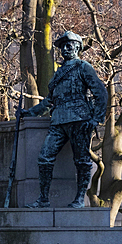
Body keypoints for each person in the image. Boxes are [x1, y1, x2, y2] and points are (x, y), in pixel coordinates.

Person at [18, 31, 108, 208]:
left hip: (80, 119)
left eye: (70, 44)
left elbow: (101, 93)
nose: (65, 48)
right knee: (44, 157)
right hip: (58, 121)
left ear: (78, 47)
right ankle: (43, 199)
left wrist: (96, 119)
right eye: (62, 46)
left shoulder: (83, 67)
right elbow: (49, 101)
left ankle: (80, 199)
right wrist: (30, 113)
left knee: (81, 160)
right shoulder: (58, 74)